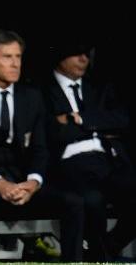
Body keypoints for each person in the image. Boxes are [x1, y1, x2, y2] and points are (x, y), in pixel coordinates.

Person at [0, 29, 84, 261]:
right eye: (7, 57)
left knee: (73, 201)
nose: (15, 64)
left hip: (22, 179)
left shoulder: (32, 97)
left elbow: (41, 148)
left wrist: (33, 182)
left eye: (18, 57)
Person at [42, 41, 136, 260]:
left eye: (86, 54)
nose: (84, 59)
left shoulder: (100, 87)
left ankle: (105, 249)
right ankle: (100, 256)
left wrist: (79, 119)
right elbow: (50, 131)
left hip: (108, 160)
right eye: (77, 54)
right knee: (92, 199)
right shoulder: (41, 90)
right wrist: (99, 126)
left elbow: (122, 120)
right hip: (69, 164)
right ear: (60, 57)